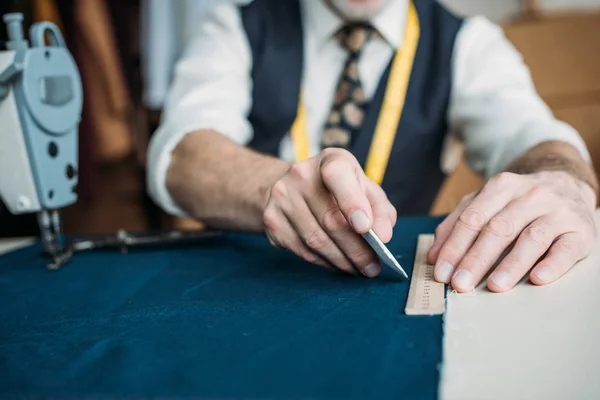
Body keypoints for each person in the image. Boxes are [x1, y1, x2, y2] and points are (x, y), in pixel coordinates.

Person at [146, 0, 598, 293]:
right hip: (249, 288)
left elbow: (533, 134)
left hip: (386, 299)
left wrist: (563, 181)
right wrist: (270, 186)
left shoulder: (468, 43)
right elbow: (183, 154)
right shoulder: (236, 23)